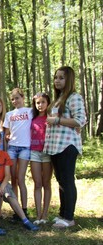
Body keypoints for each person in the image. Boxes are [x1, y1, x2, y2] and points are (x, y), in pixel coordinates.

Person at [44, 66, 86, 229]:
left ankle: (69, 217)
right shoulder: (59, 98)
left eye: (61, 78)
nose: (57, 80)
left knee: (67, 180)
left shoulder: (74, 97)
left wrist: (57, 120)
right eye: (56, 77)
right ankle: (63, 214)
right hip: (55, 145)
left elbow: (80, 120)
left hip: (67, 145)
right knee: (61, 179)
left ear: (69, 79)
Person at [0, 130, 39, 234]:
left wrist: (2, 187)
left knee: (10, 196)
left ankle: (25, 220)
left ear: (1, 141)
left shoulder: (5, 155)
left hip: (2, 183)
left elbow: (7, 175)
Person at [3, 88, 32, 218]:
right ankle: (17, 210)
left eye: (17, 98)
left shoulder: (30, 111)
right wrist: (8, 136)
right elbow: (7, 132)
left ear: (23, 98)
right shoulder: (9, 114)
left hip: (25, 147)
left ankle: (24, 208)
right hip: (12, 148)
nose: (15, 101)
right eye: (13, 99)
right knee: (13, 179)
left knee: (21, 178)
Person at [30, 93, 53, 225]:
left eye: (43, 102)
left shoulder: (51, 118)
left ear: (48, 103)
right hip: (34, 152)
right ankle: (38, 215)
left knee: (46, 183)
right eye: (38, 103)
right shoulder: (32, 119)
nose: (40, 105)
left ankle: (45, 213)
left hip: (47, 152)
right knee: (37, 183)